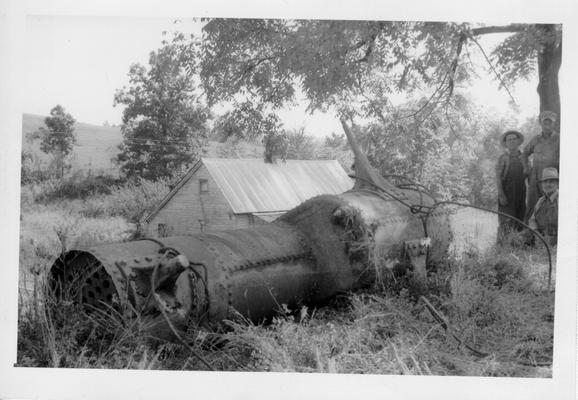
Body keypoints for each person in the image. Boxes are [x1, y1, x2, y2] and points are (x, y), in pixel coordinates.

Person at [522, 110, 560, 222]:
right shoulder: (536, 139)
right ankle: (528, 235)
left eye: (550, 122)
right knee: (531, 207)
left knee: (550, 207)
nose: (547, 125)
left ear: (554, 124)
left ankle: (546, 236)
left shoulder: (560, 139)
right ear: (541, 124)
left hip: (551, 181)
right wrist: (527, 168)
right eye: (545, 122)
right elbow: (524, 154)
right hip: (535, 179)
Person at [495, 130, 526, 236]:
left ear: (518, 142)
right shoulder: (503, 158)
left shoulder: (524, 158)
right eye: (509, 139)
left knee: (520, 220)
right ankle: (503, 246)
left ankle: (519, 247)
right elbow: (498, 178)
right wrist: (501, 195)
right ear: (506, 143)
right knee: (506, 222)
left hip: (521, 194)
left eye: (514, 139)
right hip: (506, 194)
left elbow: (529, 175)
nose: (512, 141)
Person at [528, 167, 559, 246]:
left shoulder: (562, 200)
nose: (547, 184)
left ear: (557, 183)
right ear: (542, 184)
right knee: (516, 240)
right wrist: (537, 234)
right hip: (540, 237)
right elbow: (532, 220)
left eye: (551, 182)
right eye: (545, 182)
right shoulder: (541, 201)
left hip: (557, 240)